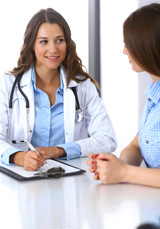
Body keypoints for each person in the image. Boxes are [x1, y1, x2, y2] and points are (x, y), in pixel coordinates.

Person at [0, 8, 117, 171]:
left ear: (67, 43)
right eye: (43, 41)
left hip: (70, 178)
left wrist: (60, 150)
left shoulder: (82, 86)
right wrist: (19, 157)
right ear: (32, 45)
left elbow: (107, 139)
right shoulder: (8, 84)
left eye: (59, 40)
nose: (53, 49)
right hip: (23, 179)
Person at [87, 3, 160, 188]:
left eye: (128, 44)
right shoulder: (154, 95)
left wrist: (124, 172)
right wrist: (115, 166)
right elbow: (136, 146)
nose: (124, 51)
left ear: (146, 45)